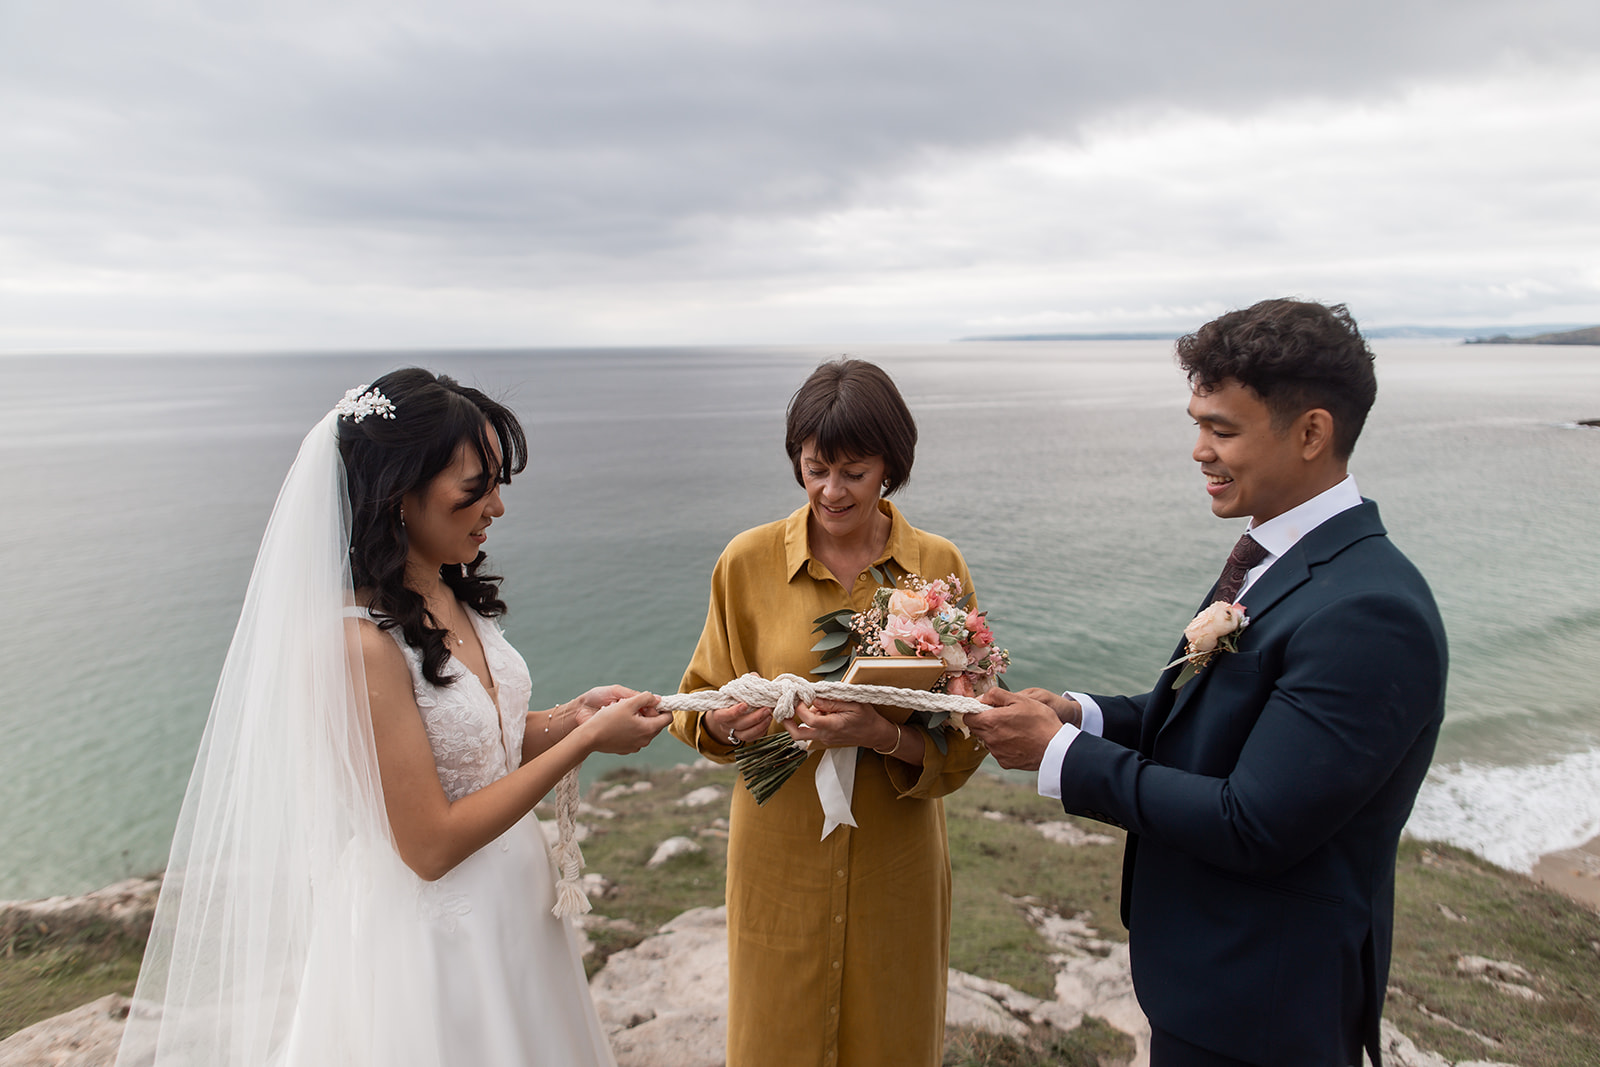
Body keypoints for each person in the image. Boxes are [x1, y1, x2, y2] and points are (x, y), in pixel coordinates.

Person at [117, 369, 671, 1067]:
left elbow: (480, 750)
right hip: (435, 939)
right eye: (476, 487)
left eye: (498, 484)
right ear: (398, 494)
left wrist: (570, 717)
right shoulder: (357, 644)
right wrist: (587, 742)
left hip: (515, 909)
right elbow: (430, 845)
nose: (497, 506)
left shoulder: (448, 587)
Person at [967, 300, 1447, 1067]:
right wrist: (1078, 713)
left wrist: (1058, 755)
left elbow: (1252, 820)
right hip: (1210, 983)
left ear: (1312, 431)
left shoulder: (1372, 611)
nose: (1198, 450)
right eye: (1197, 423)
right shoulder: (1276, 558)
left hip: (1267, 1009)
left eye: (1221, 429)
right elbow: (1214, 725)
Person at [670, 358, 988, 1067]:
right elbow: (695, 703)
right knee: (773, 1037)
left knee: (893, 1039)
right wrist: (725, 724)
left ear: (890, 467)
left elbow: (969, 736)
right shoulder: (744, 562)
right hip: (778, 858)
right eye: (815, 468)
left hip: (895, 861)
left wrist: (880, 733)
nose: (831, 490)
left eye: (853, 470)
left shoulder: (936, 568)